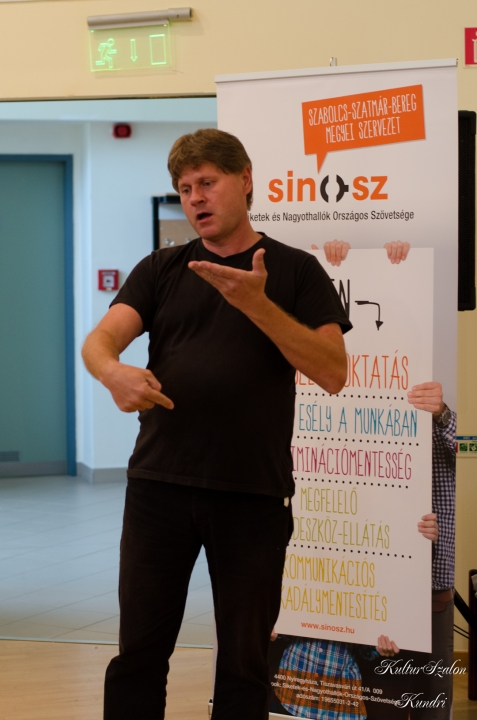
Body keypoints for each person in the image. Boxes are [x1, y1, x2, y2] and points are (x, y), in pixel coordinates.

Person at [81, 128, 352, 720]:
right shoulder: (161, 268)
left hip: (251, 494)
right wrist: (112, 372)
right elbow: (100, 340)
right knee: (138, 655)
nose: (196, 198)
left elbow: (333, 371)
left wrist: (257, 305)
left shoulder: (295, 271)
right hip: (159, 487)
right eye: (185, 189)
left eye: (207, 182)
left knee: (244, 664)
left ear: (245, 179)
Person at [314, 240, 456, 720]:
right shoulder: (334, 398)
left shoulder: (430, 396)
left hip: (430, 585)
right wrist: (342, 258)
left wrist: (443, 413)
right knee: (382, 704)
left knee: (432, 701)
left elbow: (468, 451)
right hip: (364, 589)